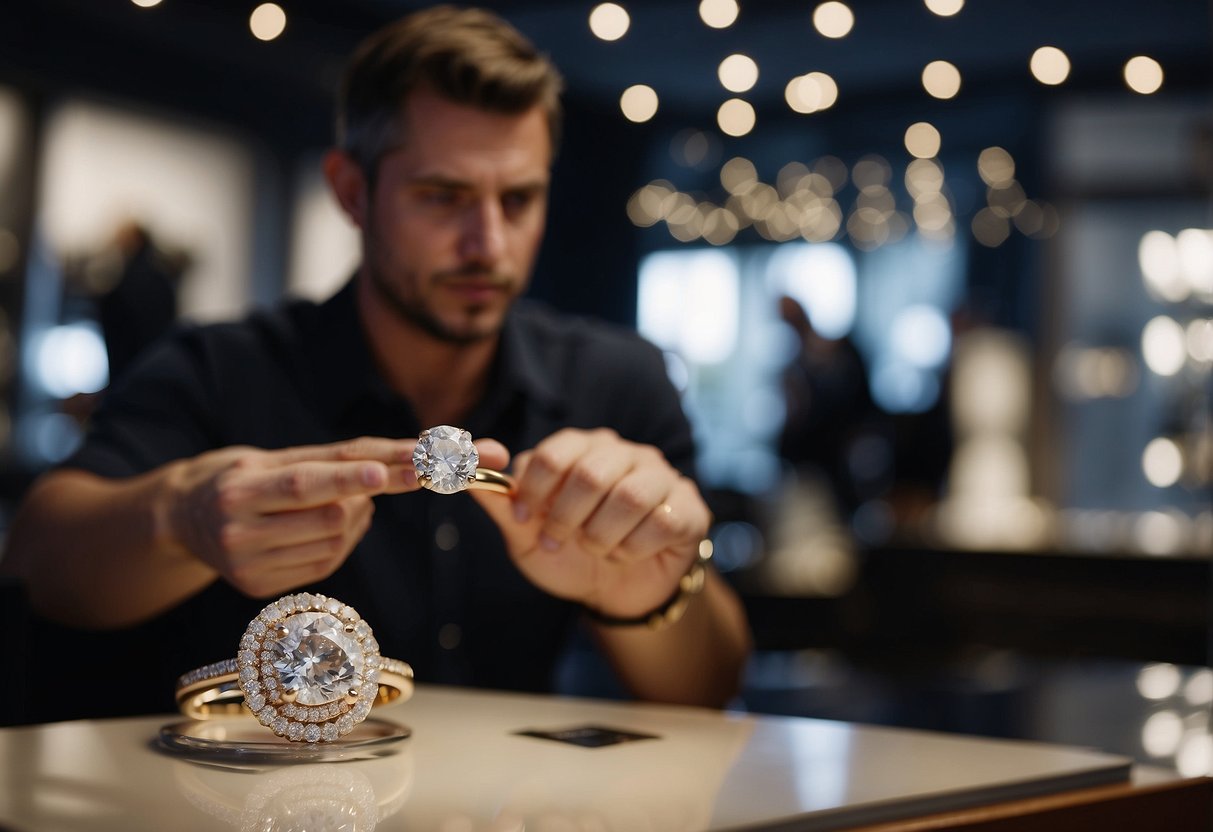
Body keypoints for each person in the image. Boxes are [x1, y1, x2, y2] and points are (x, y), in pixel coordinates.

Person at [2, 5, 750, 721]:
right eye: (443, 196)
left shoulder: (618, 383)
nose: (487, 243)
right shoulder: (220, 367)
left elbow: (708, 689)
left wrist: (645, 595)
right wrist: (180, 516)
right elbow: (40, 560)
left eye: (518, 199)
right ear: (352, 191)